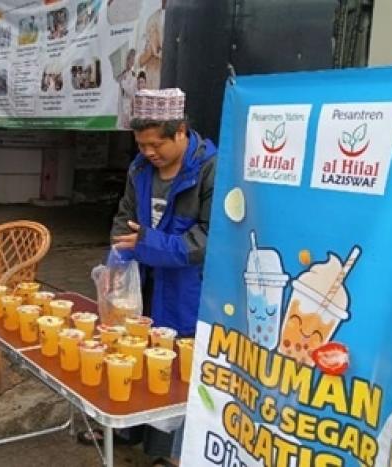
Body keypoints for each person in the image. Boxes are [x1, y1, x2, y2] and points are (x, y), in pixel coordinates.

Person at [107, 89, 217, 466]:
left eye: (156, 145)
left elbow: (206, 239)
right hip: (144, 277)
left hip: (186, 286)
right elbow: (125, 213)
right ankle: (128, 429)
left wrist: (146, 243)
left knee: (174, 366)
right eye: (142, 144)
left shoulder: (209, 169)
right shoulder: (139, 168)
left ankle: (171, 452)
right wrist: (119, 251)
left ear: (181, 132)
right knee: (136, 354)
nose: (149, 152)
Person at [138, 6, 164, 89]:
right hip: (152, 79)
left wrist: (156, 52)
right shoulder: (152, 18)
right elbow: (139, 59)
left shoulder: (181, 16)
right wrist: (149, 52)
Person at [117, 48, 137, 129]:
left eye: (132, 59)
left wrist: (123, 82)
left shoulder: (134, 77)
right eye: (128, 59)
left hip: (128, 110)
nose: (129, 62)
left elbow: (131, 92)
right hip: (120, 109)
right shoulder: (120, 75)